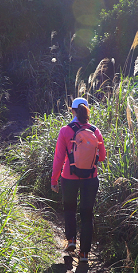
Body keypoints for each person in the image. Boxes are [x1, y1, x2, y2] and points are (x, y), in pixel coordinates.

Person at [51, 97, 106, 263]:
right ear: (87, 111)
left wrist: (54, 180)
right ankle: (84, 254)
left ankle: (71, 240)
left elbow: (59, 158)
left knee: (69, 208)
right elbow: (102, 157)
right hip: (90, 177)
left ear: (72, 111)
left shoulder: (65, 131)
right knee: (87, 214)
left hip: (69, 177)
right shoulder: (95, 131)